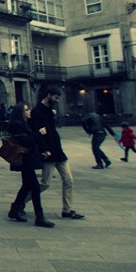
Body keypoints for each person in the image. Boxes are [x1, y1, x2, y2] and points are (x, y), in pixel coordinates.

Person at [31, 86, 85, 220]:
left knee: (68, 180)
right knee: (45, 184)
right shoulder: (36, 112)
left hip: (59, 152)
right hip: (48, 153)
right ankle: (20, 202)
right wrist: (43, 149)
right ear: (49, 95)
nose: (57, 100)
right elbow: (37, 133)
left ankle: (67, 210)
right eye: (56, 97)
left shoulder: (49, 111)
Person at [6, 102, 55, 228]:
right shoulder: (17, 126)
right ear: (21, 113)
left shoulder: (25, 124)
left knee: (27, 185)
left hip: (28, 159)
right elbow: (27, 142)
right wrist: (39, 133)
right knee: (35, 188)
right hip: (25, 160)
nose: (29, 112)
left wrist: (41, 152)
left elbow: (30, 142)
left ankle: (14, 210)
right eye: (27, 110)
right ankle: (39, 217)